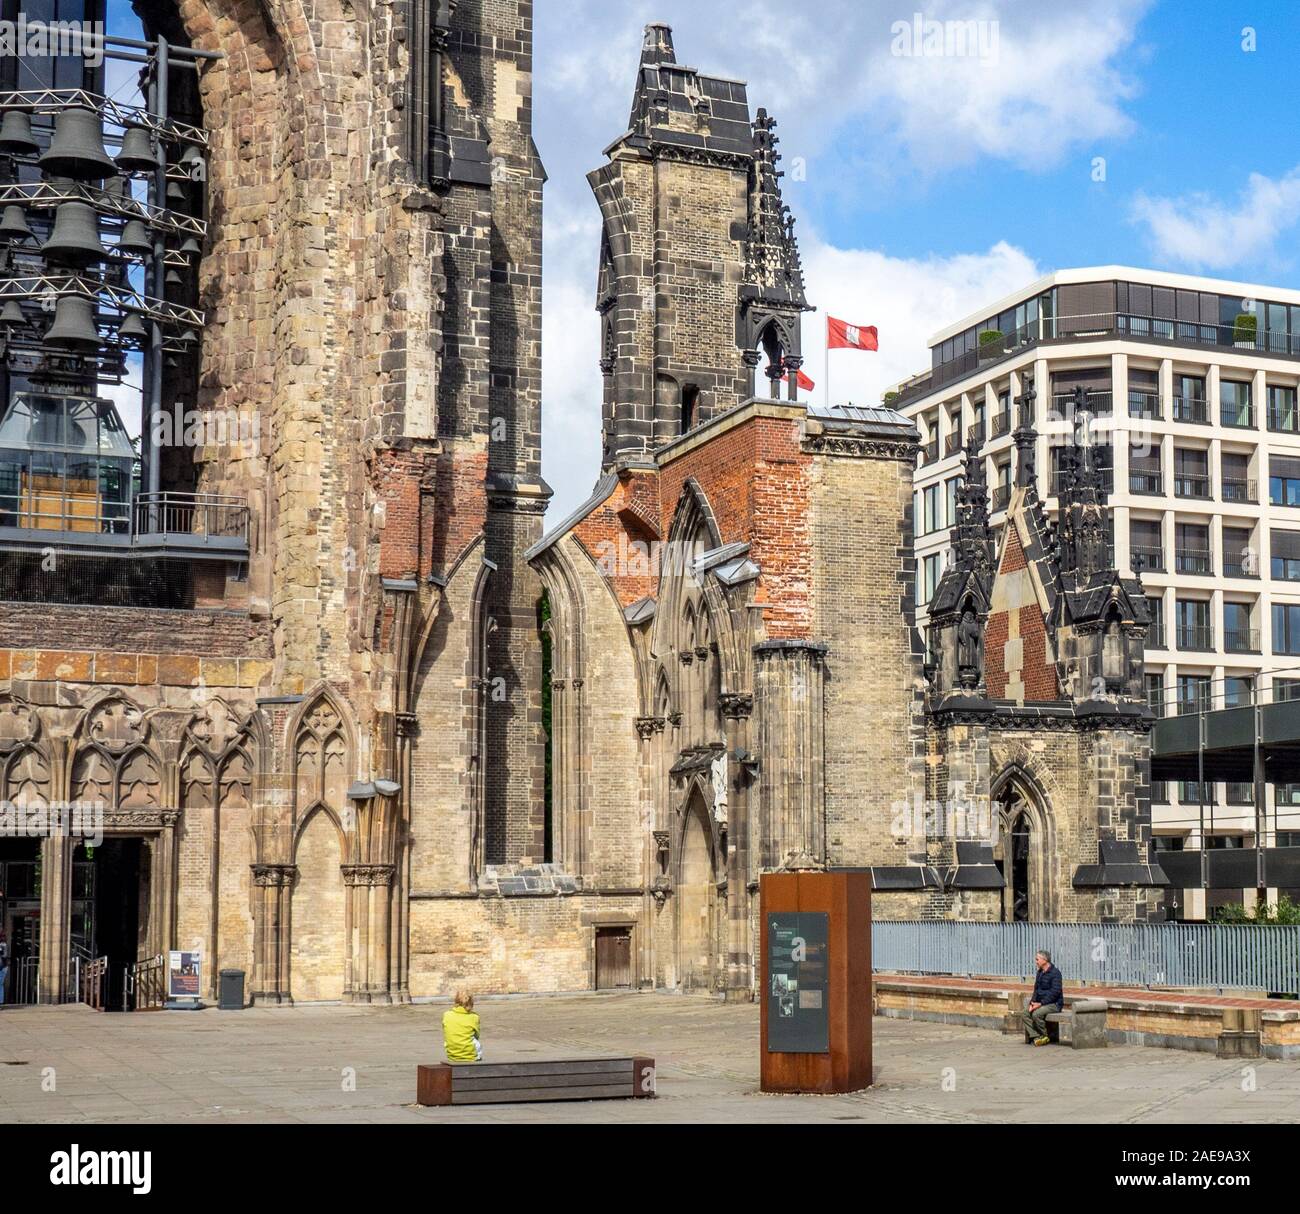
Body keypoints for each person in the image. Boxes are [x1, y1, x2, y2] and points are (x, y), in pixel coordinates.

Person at [1022, 949, 1063, 1045]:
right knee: (1025, 1013)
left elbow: (1055, 993)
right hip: (1040, 1003)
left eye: (1037, 959)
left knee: (1036, 1014)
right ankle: (1036, 1036)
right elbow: (1036, 990)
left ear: (1044, 960)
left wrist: (1040, 1004)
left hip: (1054, 1004)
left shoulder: (1055, 973)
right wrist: (1032, 1002)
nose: (1036, 962)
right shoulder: (1040, 972)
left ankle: (1045, 1035)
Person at [442, 990, 483, 1063]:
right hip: (471, 1055)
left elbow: (446, 1031)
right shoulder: (474, 1017)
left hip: (452, 1053)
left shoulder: (446, 1015)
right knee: (475, 1042)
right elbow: (477, 1035)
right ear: (471, 1003)